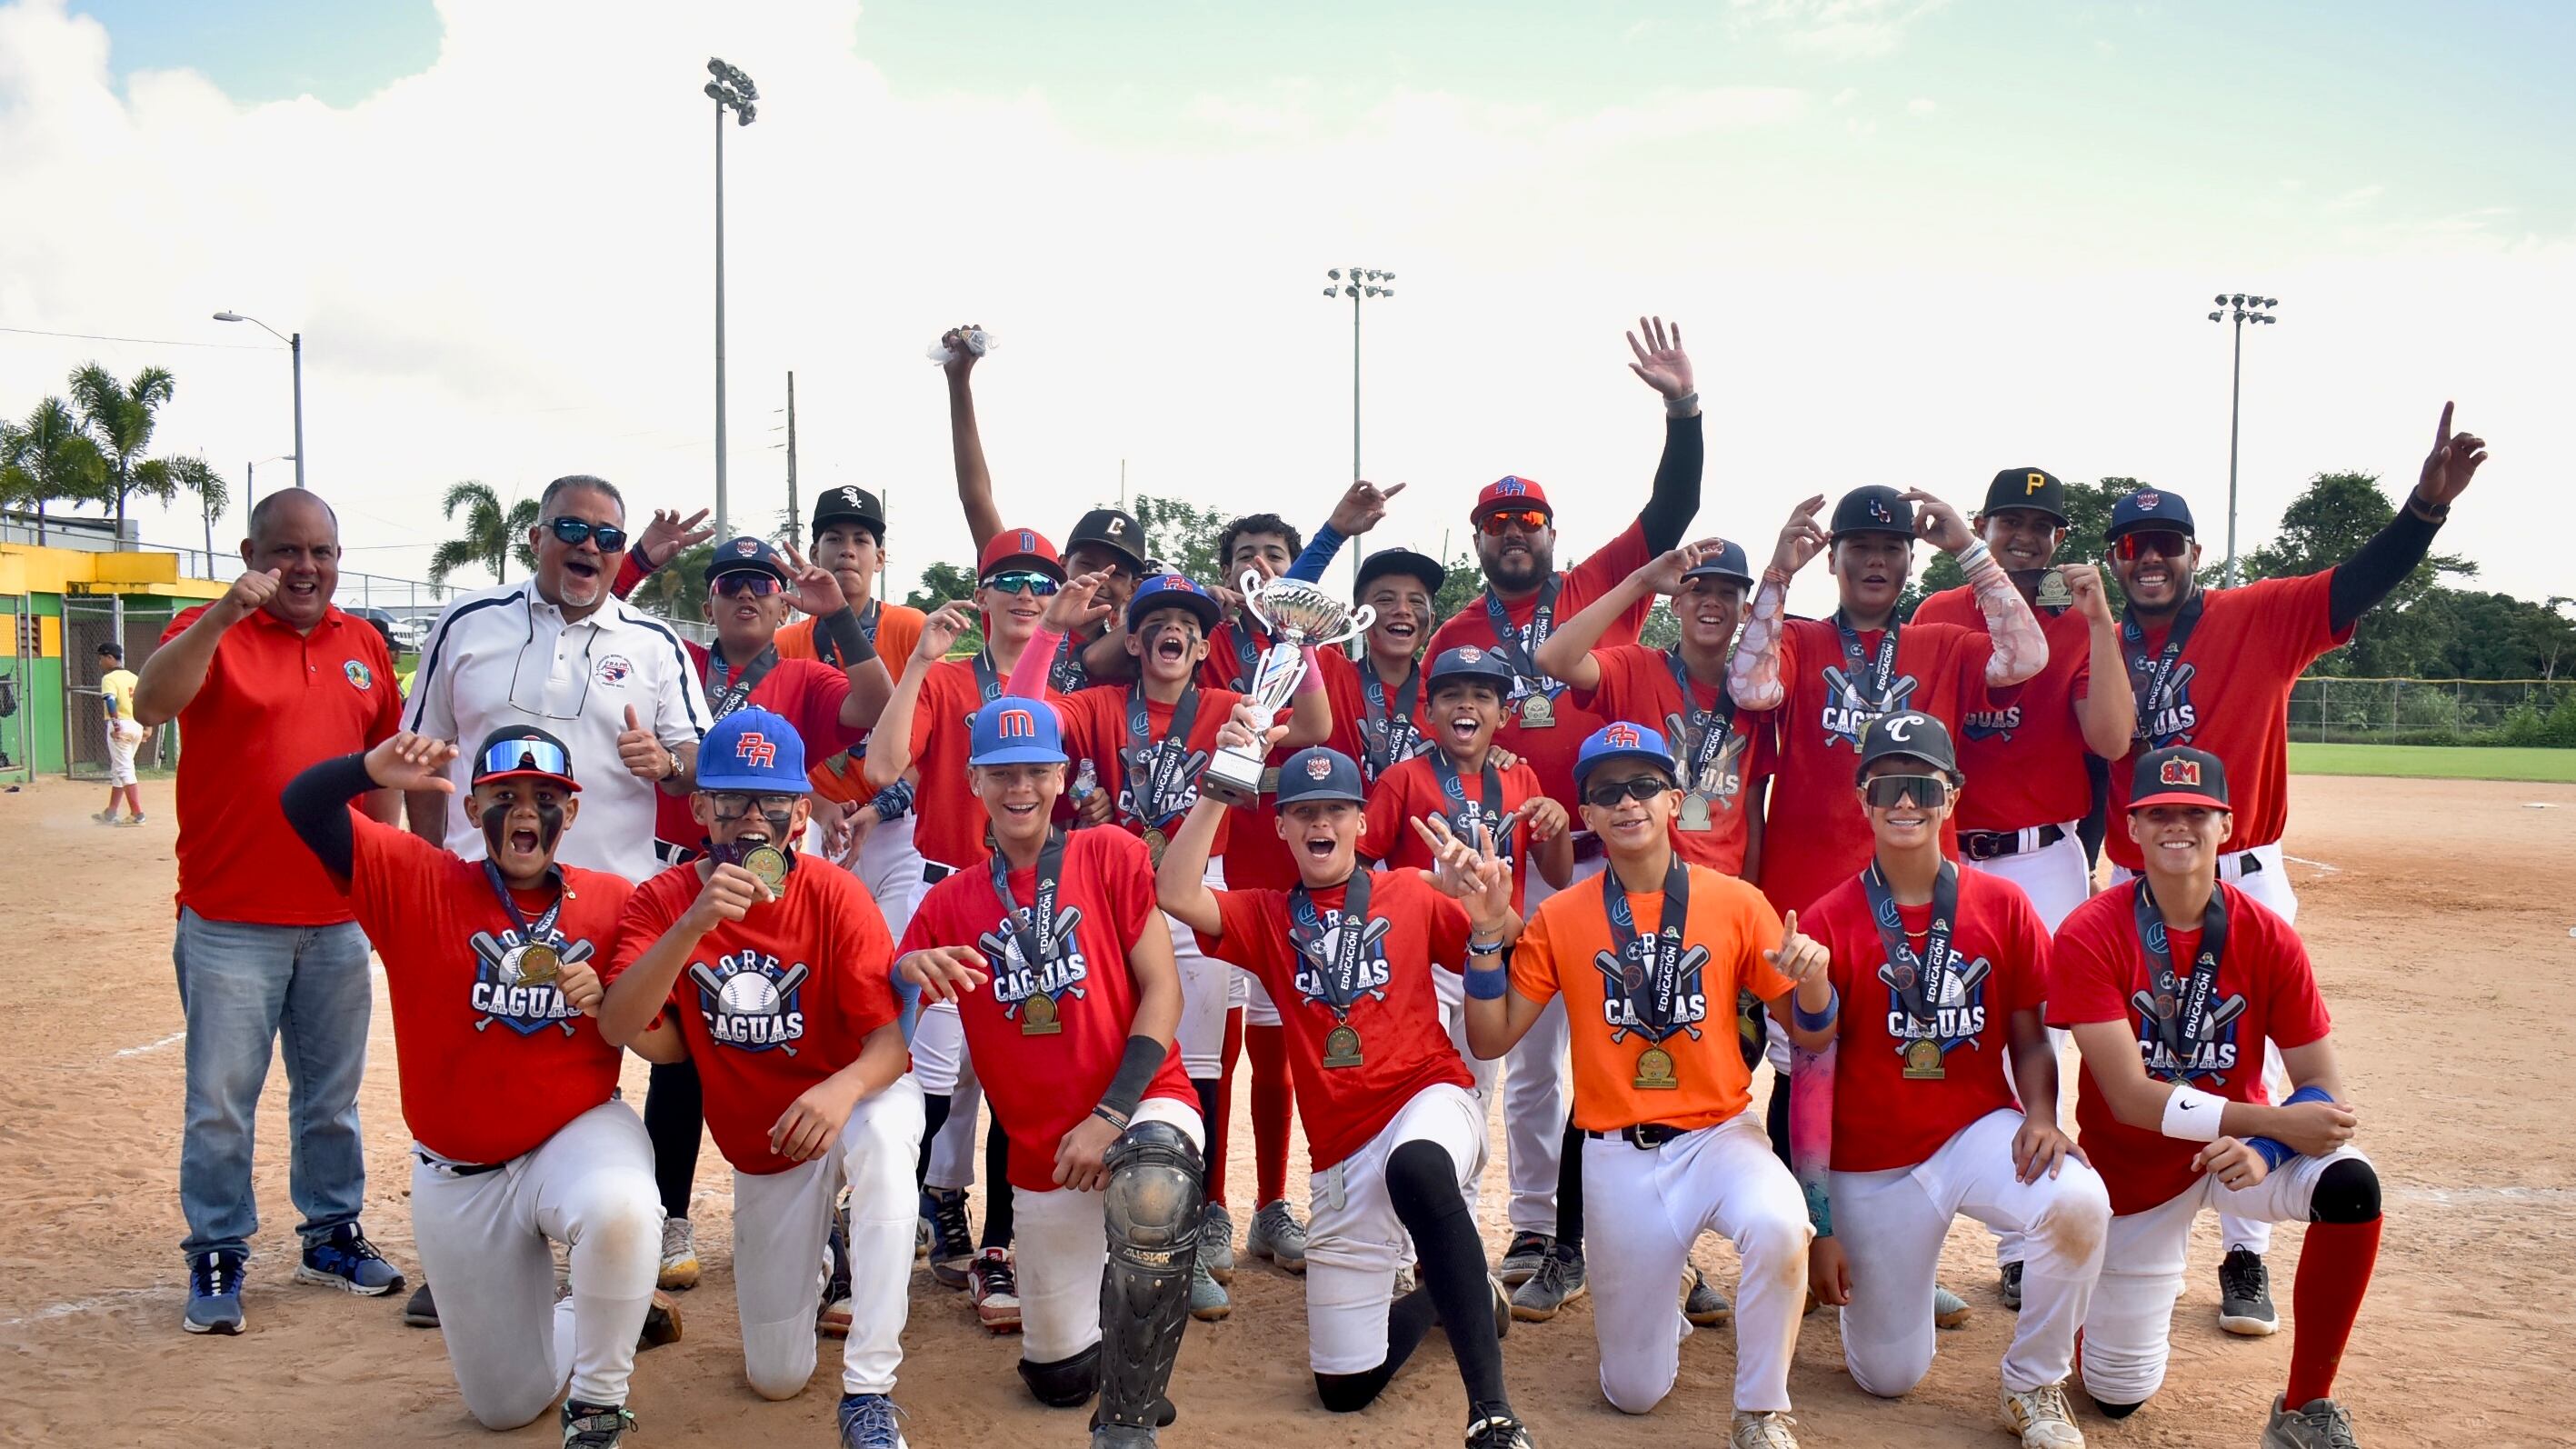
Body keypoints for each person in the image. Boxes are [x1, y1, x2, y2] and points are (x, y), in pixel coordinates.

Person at [2097, 404, 2481, 1333]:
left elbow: (2354, 585)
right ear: (2115, 558)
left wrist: (2421, 512)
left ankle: (2242, 1252)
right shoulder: (2094, 639)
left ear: (2192, 552)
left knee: (2249, 1052)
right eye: (2132, 546)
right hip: (2131, 876)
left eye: (2166, 544)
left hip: (2242, 869)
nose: (2148, 558)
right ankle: (2108, 1230)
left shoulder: (2256, 615)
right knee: (2133, 1050)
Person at [280, 725, 682, 1448]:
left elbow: (673, 1045)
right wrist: (367, 770)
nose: (525, 812)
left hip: (575, 1132)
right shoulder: (416, 879)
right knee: (504, 1405)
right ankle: (595, 1310)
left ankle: (597, 1404)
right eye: (504, 796)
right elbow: (302, 806)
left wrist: (614, 1004)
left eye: (544, 798)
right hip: (460, 1170)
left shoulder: (616, 901)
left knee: (622, 1210)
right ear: (471, 809)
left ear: (572, 814)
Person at [1423, 316, 1705, 1294]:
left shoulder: (1599, 586)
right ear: (1477, 540)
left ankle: (1651, 1228)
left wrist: (1681, 407)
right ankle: (1539, 1231)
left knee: (1634, 1038)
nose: (1513, 536)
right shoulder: (1458, 631)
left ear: (1551, 533)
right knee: (1536, 1061)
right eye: (1496, 526)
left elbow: (1669, 512)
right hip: (1516, 867)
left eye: (1528, 523)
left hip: (1613, 846)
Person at [1158, 737, 1533, 1449]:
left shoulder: (1412, 892)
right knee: (1343, 1388)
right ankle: (1454, 1295)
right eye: (1303, 812)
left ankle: (1492, 1413)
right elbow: (1175, 892)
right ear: (1280, 826)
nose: (1319, 823)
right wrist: (1223, 781)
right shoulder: (1268, 915)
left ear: (1362, 822)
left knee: (1417, 1168)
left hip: (1428, 1101)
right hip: (1339, 1151)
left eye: (1335, 809)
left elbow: (1508, 947)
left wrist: (1491, 914)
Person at [401, 473, 714, 1319]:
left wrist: (670, 763)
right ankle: (474, 1252)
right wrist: (431, 875)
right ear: (535, 537)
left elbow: (698, 761)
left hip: (617, 902)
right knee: (486, 1056)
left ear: (620, 555)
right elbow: (423, 756)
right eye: (571, 529)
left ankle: (623, 1257)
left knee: (627, 1068)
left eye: (608, 538)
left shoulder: (653, 643)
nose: (590, 547)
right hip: (483, 898)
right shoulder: (469, 625)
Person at [1465, 722, 1827, 1449]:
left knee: (1782, 1223)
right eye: (1606, 792)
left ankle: (1762, 1411)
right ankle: (1664, 1304)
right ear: (1589, 817)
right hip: (1617, 1155)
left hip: (1720, 1135)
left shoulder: (1735, 901)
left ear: (1674, 800)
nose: (1627, 802)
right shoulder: (1561, 918)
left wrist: (1814, 983)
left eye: (1644, 786)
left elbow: (1812, 1033)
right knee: (1634, 1393)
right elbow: (1490, 1038)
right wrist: (1483, 936)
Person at [1007, 569, 1330, 1319]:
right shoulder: (1095, 708)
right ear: (1134, 639)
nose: (1169, 631)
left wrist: (1301, 642)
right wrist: (1052, 627)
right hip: (1102, 877)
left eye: (1185, 620)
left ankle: (1187, 1233)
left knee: (1200, 1068)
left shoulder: (1223, 704)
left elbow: (1309, 726)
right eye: (1154, 620)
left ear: (1203, 643)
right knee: (1096, 1046)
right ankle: (1090, 1227)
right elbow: (1023, 714)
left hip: (1191, 877)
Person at [599, 708, 925, 1448]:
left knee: (881, 1148)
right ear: (700, 808)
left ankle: (870, 1390)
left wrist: (838, 1090)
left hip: (854, 1093)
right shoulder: (663, 899)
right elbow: (624, 1028)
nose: (753, 819)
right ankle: (815, 1258)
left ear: (801, 814)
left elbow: (889, 1049)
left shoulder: (835, 893)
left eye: (772, 802)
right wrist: (694, 924)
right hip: (769, 1141)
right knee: (775, 1377)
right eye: (733, 800)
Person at [894, 697, 1205, 1449]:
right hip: (1044, 1155)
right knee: (1057, 1376)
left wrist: (1111, 1116)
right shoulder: (950, 900)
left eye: (1036, 769)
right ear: (973, 781)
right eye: (1001, 774)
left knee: (1154, 1191)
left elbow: (1164, 990)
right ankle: (1134, 1296)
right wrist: (907, 968)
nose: (1020, 787)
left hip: (1139, 1104)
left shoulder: (1110, 853)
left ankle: (1127, 1424)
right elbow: (894, 999)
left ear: (1062, 775)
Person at [132, 488, 407, 1335]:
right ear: (252, 553)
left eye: (322, 551)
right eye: (288, 551)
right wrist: (220, 617)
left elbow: (383, 771)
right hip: (228, 919)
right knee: (221, 1099)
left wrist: (379, 881)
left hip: (335, 918)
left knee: (331, 1096)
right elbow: (151, 705)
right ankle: (218, 1249)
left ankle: (331, 1232)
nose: (307, 568)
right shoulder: (204, 627)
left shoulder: (362, 643)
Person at [2052, 746, 2382, 1449]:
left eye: (2196, 813)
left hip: (2237, 1158)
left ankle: (2304, 1410)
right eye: (2160, 813)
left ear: (2225, 824)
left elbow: (2326, 1089)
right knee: (2115, 1397)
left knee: (2352, 1181)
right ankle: (2094, 1308)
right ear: (2131, 829)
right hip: (2134, 1175)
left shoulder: (2267, 936)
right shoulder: (2091, 931)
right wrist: (2266, 1123)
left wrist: (2264, 1147)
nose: (2180, 827)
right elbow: (2130, 1096)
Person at [1792, 713, 2107, 1449]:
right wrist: (1822, 1225)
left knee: (2079, 1201)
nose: (1906, 804)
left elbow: (2032, 1037)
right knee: (1889, 1376)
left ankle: (2033, 1386)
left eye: (1923, 787)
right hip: (1871, 1164)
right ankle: (1897, 1281)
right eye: (1888, 787)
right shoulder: (1830, 920)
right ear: (1864, 800)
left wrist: (2041, 1114)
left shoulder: (2003, 906)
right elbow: (1807, 1084)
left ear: (1953, 796)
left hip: (1973, 1133)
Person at [1910, 469, 2133, 1309]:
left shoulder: (2075, 624)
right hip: (1952, 851)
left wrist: (2102, 621)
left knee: (2040, 1034)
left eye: (2043, 526)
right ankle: (1930, 1224)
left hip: (2045, 857)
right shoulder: (1939, 614)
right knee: (1940, 1028)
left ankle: (2020, 1237)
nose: (2027, 538)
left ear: (2059, 540)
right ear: (1984, 526)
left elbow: (2111, 739)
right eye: (2012, 522)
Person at [864, 533, 1076, 1326]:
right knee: (926, 1080)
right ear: (981, 595)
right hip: (946, 889)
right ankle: (900, 1229)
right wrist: (917, 664)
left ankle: (998, 1246)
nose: (1026, 592)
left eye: (1040, 581)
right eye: (1009, 580)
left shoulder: (1065, 683)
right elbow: (883, 769)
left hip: (1030, 899)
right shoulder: (948, 675)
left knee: (1019, 1073)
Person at [1358, 645, 1575, 1311]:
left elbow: (1559, 875)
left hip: (1481, 962)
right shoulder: (1402, 778)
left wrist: (1558, 824)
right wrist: (1422, 884)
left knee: (1471, 1108)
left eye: (1483, 696)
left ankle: (1454, 1249)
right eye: (1452, 694)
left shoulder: (1521, 778)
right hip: (1415, 968)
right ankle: (1391, 1251)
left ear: (1504, 714)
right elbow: (1358, 873)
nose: (1467, 706)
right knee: (1397, 1103)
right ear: (1428, 709)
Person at [1533, 538, 1763, 877]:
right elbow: (1552, 658)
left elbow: (1752, 814)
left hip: (1723, 894)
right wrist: (1642, 582)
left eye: (1728, 593)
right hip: (1642, 886)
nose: (1712, 602)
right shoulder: (1636, 667)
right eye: (1698, 591)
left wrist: (1750, 899)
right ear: (1675, 603)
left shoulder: (1750, 697)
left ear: (1746, 612)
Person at [940, 321, 1149, 689]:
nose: (1098, 578)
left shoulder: (1130, 655)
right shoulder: (1024, 606)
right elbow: (976, 498)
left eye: (1117, 573)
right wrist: (959, 383)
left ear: (1133, 588)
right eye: (1087, 563)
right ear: (1062, 565)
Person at [95, 640, 146, 824]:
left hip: (121, 725)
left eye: (102, 658)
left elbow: (110, 701)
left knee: (125, 769)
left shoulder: (109, 678)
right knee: (119, 768)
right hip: (136, 724)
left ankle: (137, 813)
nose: (100, 662)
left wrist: (116, 727)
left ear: (110, 658)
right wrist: (147, 727)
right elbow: (145, 702)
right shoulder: (133, 677)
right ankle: (111, 812)